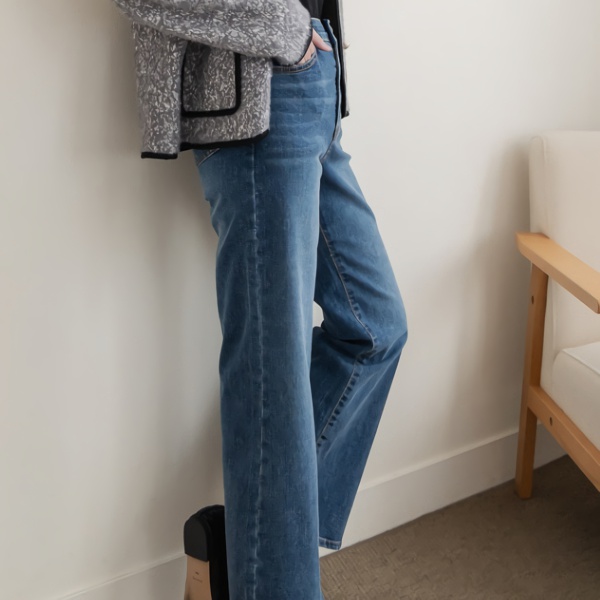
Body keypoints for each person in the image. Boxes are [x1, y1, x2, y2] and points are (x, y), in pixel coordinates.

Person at [113, 1, 408, 599]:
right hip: (260, 95)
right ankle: (267, 573)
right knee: (272, 376)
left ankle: (245, 553)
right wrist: (284, 27)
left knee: (375, 328)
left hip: (314, 85)